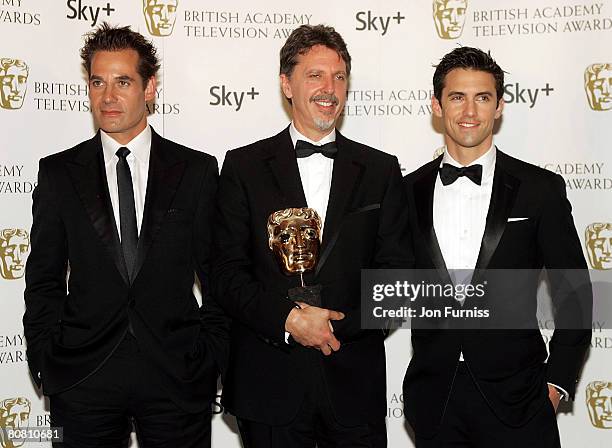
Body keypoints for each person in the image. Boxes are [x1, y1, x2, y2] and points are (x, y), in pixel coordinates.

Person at [23, 23, 227, 447]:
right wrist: (45, 355)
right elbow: (42, 277)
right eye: (98, 82)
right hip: (83, 376)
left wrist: (211, 356)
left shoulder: (196, 171)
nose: (108, 96)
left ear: (149, 88)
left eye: (123, 82)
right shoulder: (59, 173)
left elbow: (218, 276)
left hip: (177, 373)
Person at [213, 24, 412, 448]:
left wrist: (336, 326)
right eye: (315, 75)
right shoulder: (243, 168)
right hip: (269, 384)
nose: (329, 88)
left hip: (354, 383)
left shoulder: (381, 171)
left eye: (339, 77)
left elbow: (397, 277)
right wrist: (287, 321)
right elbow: (225, 274)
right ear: (286, 84)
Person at [402, 46, 592, 447]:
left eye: (482, 98)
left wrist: (557, 381)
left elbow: (574, 291)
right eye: (457, 97)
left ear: (500, 106)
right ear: (436, 105)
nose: (469, 112)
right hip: (435, 400)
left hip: (520, 399)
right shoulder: (405, 192)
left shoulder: (539, 191)